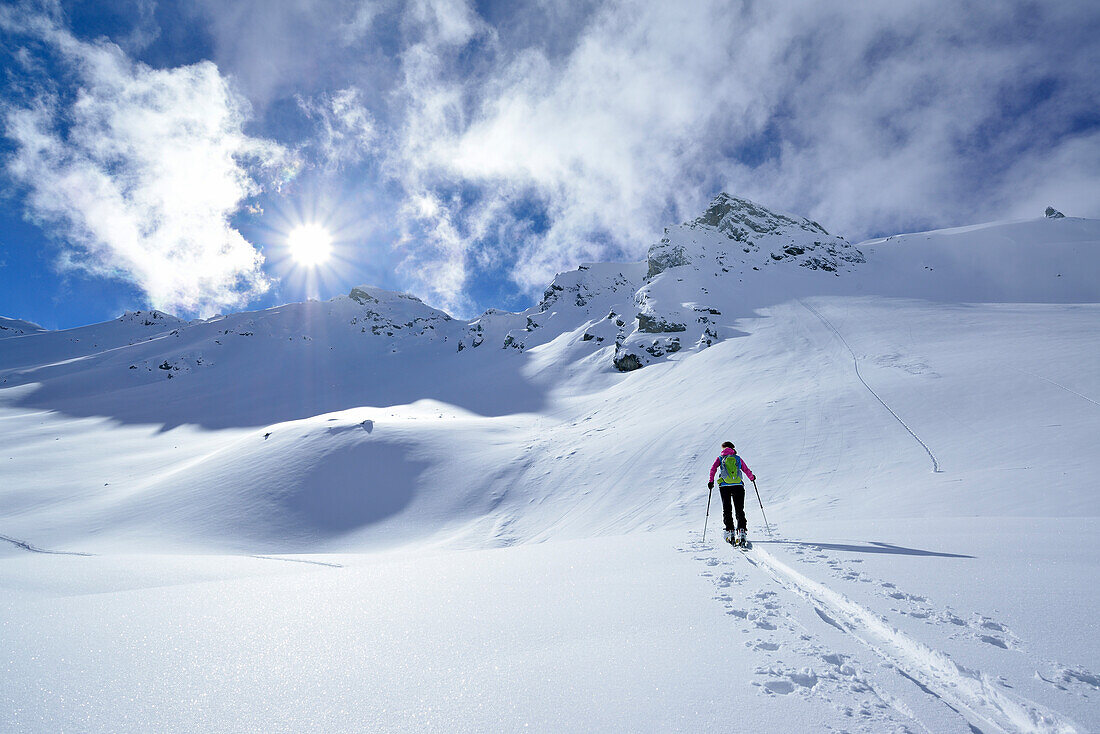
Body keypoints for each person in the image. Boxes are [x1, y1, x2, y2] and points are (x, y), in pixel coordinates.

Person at [708, 441, 756, 546]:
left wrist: (711, 481)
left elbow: (713, 469)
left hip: (724, 487)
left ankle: (730, 532)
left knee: (727, 509)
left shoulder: (720, 458)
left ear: (724, 448)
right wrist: (752, 477)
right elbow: (745, 469)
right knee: (739, 509)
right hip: (738, 485)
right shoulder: (737, 458)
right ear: (732, 448)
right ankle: (742, 531)